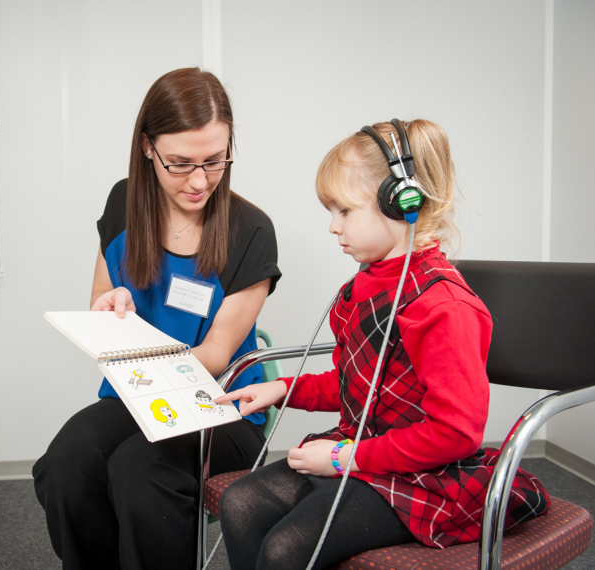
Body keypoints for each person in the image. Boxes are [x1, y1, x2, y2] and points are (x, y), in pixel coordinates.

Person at [215, 119, 549, 570]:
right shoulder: (368, 286)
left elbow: (454, 433)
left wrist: (343, 457)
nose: (333, 227)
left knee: (287, 547)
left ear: (402, 204)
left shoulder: (443, 306)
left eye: (344, 211)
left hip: (422, 476)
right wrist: (284, 389)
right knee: (240, 503)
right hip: (364, 451)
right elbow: (359, 386)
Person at [33, 68, 281, 570]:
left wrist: (148, 371)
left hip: (221, 405)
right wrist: (110, 302)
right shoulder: (123, 202)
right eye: (180, 163)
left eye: (215, 161)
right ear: (148, 147)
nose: (199, 181)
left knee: (140, 473)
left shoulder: (251, 230)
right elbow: (102, 294)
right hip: (136, 392)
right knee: (64, 466)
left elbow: (214, 354)